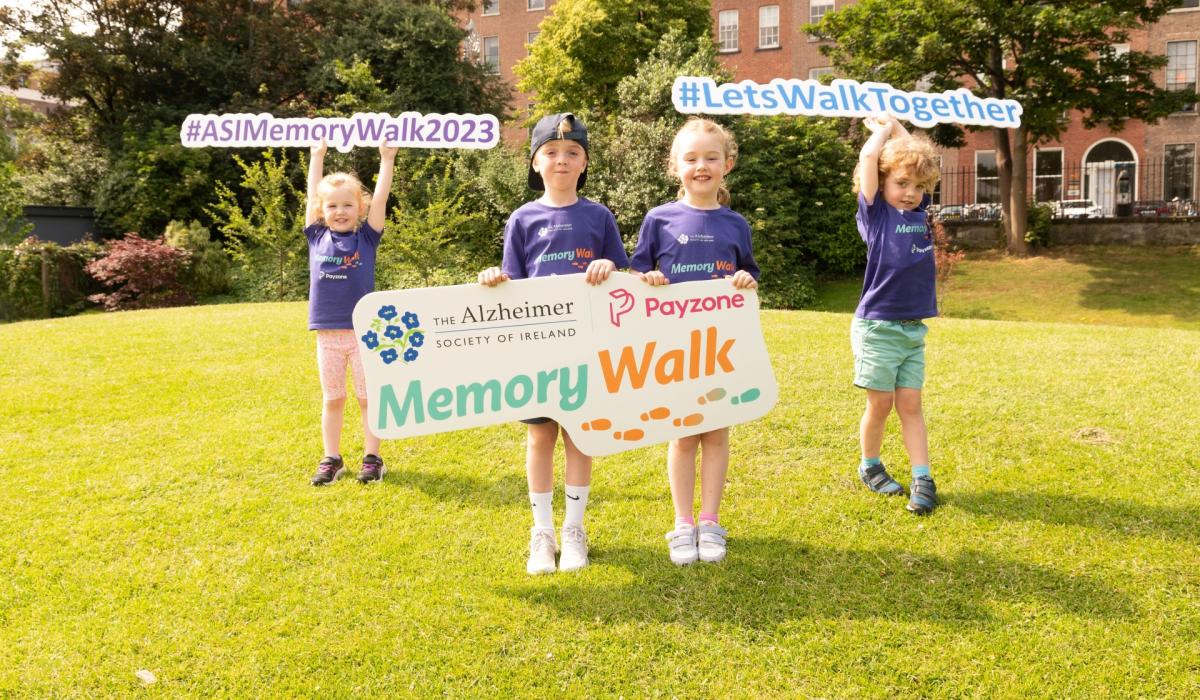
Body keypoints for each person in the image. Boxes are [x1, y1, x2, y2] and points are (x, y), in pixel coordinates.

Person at [478, 113, 629, 574]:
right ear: (535, 162)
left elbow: (624, 276)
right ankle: (542, 530)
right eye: (551, 152)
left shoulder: (598, 215)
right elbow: (512, 282)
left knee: (580, 435)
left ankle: (575, 529)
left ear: (584, 163)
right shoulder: (522, 219)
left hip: (588, 347)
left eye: (572, 153)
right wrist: (493, 279)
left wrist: (608, 269)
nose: (561, 160)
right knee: (540, 435)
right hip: (537, 350)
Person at [630, 118, 760, 565]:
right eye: (690, 159)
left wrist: (745, 280)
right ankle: (683, 523)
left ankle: (710, 521)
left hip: (721, 348)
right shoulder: (659, 219)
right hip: (673, 350)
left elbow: (749, 276)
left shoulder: (735, 224)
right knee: (684, 436)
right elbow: (636, 274)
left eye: (710, 158)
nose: (701, 166)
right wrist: (646, 278)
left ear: (727, 164)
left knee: (717, 433)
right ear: (675, 166)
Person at [850, 114, 942, 514]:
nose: (910, 193)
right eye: (901, 184)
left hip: (911, 330)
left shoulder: (921, 214)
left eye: (919, 187)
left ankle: (923, 476)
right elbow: (871, 157)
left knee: (910, 404)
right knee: (881, 404)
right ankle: (870, 466)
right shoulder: (876, 216)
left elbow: (920, 159)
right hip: (878, 326)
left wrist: (904, 133)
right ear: (883, 181)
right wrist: (882, 130)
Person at [305, 139, 398, 486]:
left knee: (366, 398)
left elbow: (382, 198)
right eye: (332, 205)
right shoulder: (316, 236)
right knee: (333, 398)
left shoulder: (367, 239)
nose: (340, 211)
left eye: (348, 205)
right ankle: (332, 458)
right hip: (328, 337)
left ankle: (373, 458)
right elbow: (311, 196)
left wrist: (386, 159)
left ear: (359, 208)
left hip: (363, 335)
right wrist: (317, 156)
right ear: (322, 209)